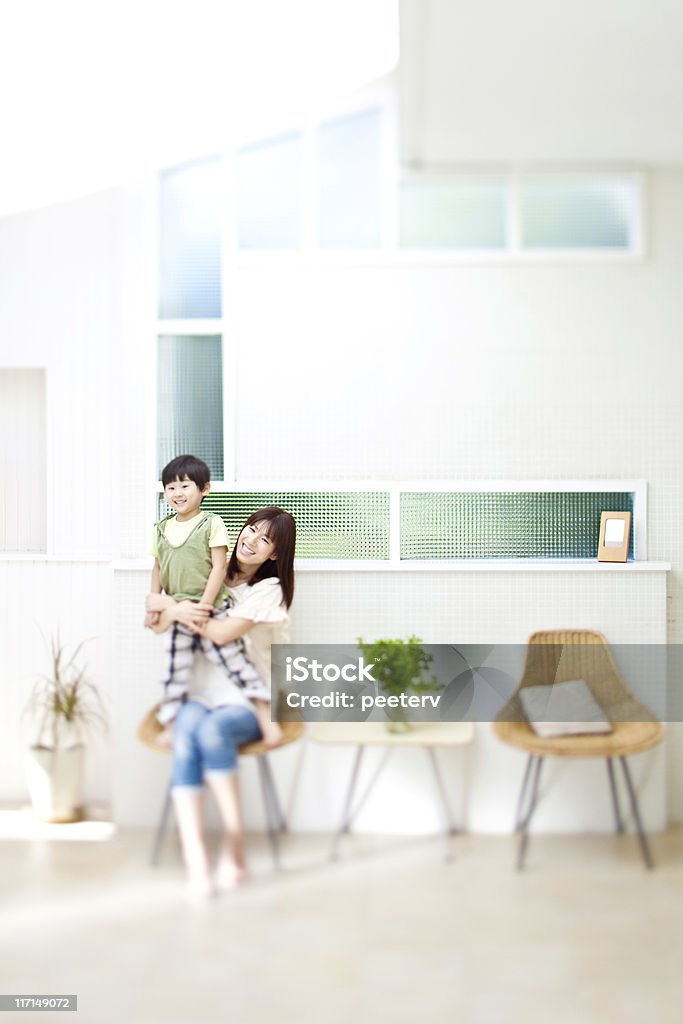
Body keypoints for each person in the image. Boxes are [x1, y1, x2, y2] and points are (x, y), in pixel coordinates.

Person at [146, 506, 296, 898]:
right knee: (188, 731)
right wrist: (170, 608)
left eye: (266, 541)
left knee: (211, 731)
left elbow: (221, 633)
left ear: (274, 555)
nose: (251, 541)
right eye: (251, 530)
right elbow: (155, 622)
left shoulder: (268, 591)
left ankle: (235, 846)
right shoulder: (208, 573)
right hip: (198, 691)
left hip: (248, 698)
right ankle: (196, 859)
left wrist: (174, 607)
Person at [147, 454, 265, 729]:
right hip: (178, 609)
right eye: (171, 487)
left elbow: (218, 568)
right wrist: (156, 606)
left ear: (204, 489)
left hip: (210, 607)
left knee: (231, 659)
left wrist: (205, 606)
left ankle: (263, 711)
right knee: (176, 669)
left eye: (185, 486)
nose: (177, 493)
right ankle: (171, 724)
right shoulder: (160, 529)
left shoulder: (211, 523)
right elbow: (157, 567)